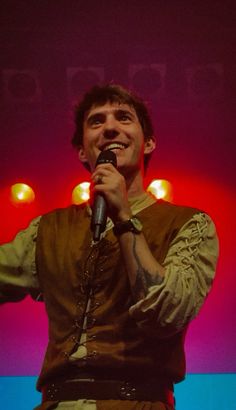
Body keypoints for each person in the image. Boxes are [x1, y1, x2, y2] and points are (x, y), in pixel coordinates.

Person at [0, 84, 219, 410]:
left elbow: (165, 316)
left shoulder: (189, 224)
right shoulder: (47, 230)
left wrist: (125, 219)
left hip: (138, 402)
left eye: (124, 118)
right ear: (82, 151)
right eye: (96, 121)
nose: (111, 127)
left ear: (149, 143)